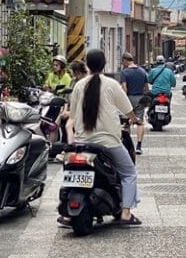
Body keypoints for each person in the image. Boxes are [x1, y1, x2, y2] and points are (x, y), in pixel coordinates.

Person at [63, 49, 142, 226]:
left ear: (87, 65)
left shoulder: (78, 85)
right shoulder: (112, 84)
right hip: (108, 142)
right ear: (104, 64)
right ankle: (126, 213)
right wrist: (135, 120)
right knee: (129, 173)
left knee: (70, 170)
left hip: (82, 142)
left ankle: (67, 211)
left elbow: (73, 115)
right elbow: (127, 108)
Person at [120, 52, 149, 155]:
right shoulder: (142, 71)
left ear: (125, 60)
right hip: (140, 98)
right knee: (140, 122)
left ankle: (127, 145)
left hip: (128, 99)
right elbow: (146, 88)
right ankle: (139, 146)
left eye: (122, 61)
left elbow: (124, 89)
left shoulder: (124, 72)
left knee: (127, 122)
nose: (122, 63)